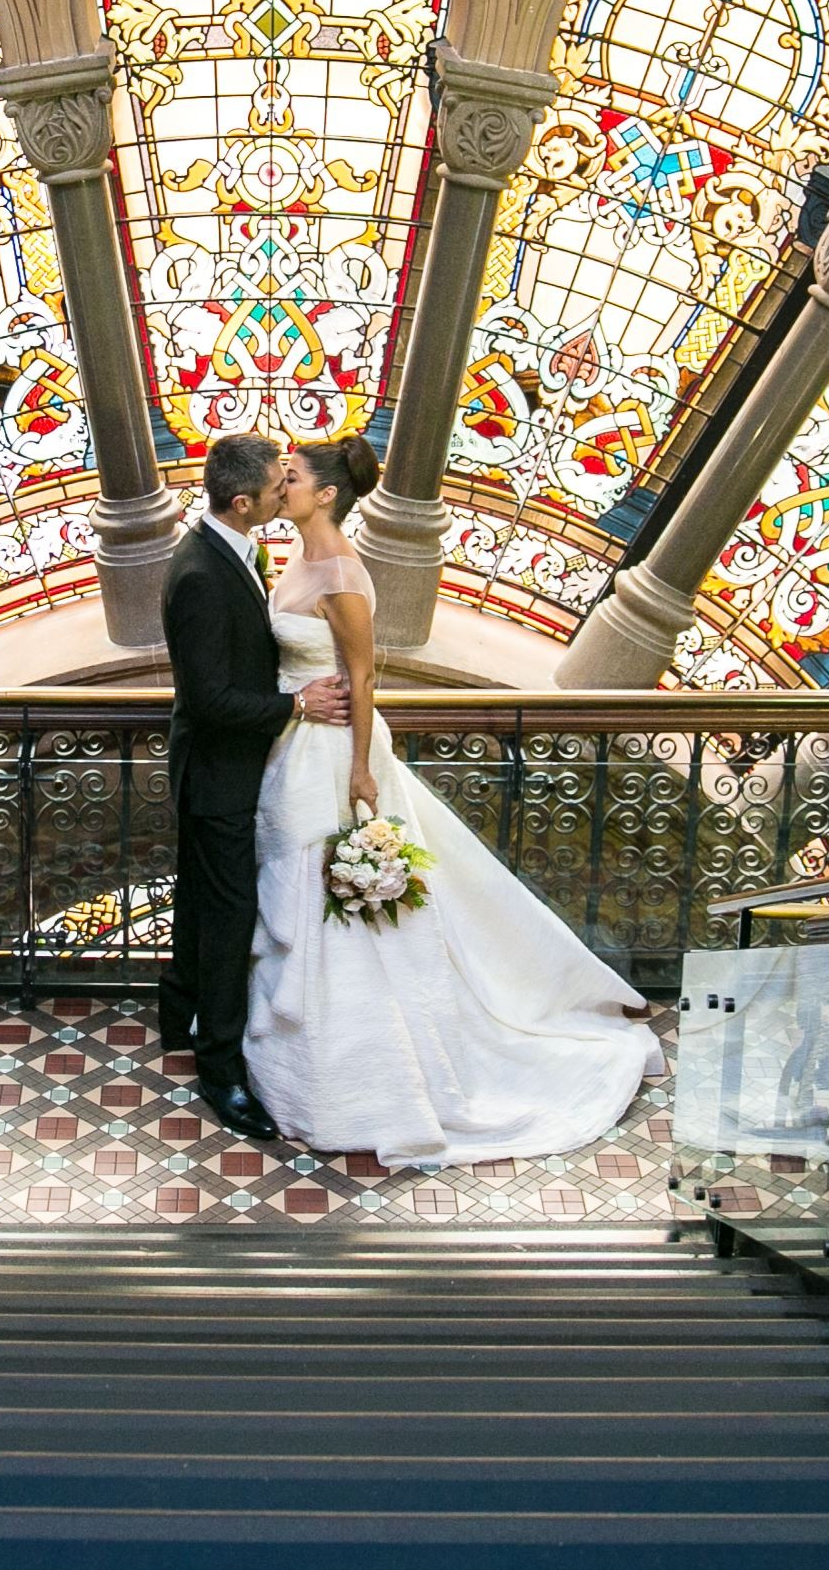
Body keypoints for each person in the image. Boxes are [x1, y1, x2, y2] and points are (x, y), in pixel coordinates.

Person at [241, 434, 663, 1165]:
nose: (283, 487)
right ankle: (303, 1061)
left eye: (293, 477)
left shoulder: (341, 569)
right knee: (297, 892)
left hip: (336, 750)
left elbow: (365, 675)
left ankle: (363, 1076)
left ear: (328, 493)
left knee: (336, 903)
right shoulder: (296, 560)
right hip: (296, 743)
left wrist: (361, 773)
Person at [155, 432, 348, 1139]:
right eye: (275, 484)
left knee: (205, 902)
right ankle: (221, 1071)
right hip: (218, 773)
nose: (284, 488)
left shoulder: (236, 548)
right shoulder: (202, 573)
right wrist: (295, 705)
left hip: (234, 767)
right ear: (243, 503)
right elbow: (208, 699)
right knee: (230, 916)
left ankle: (178, 1013)